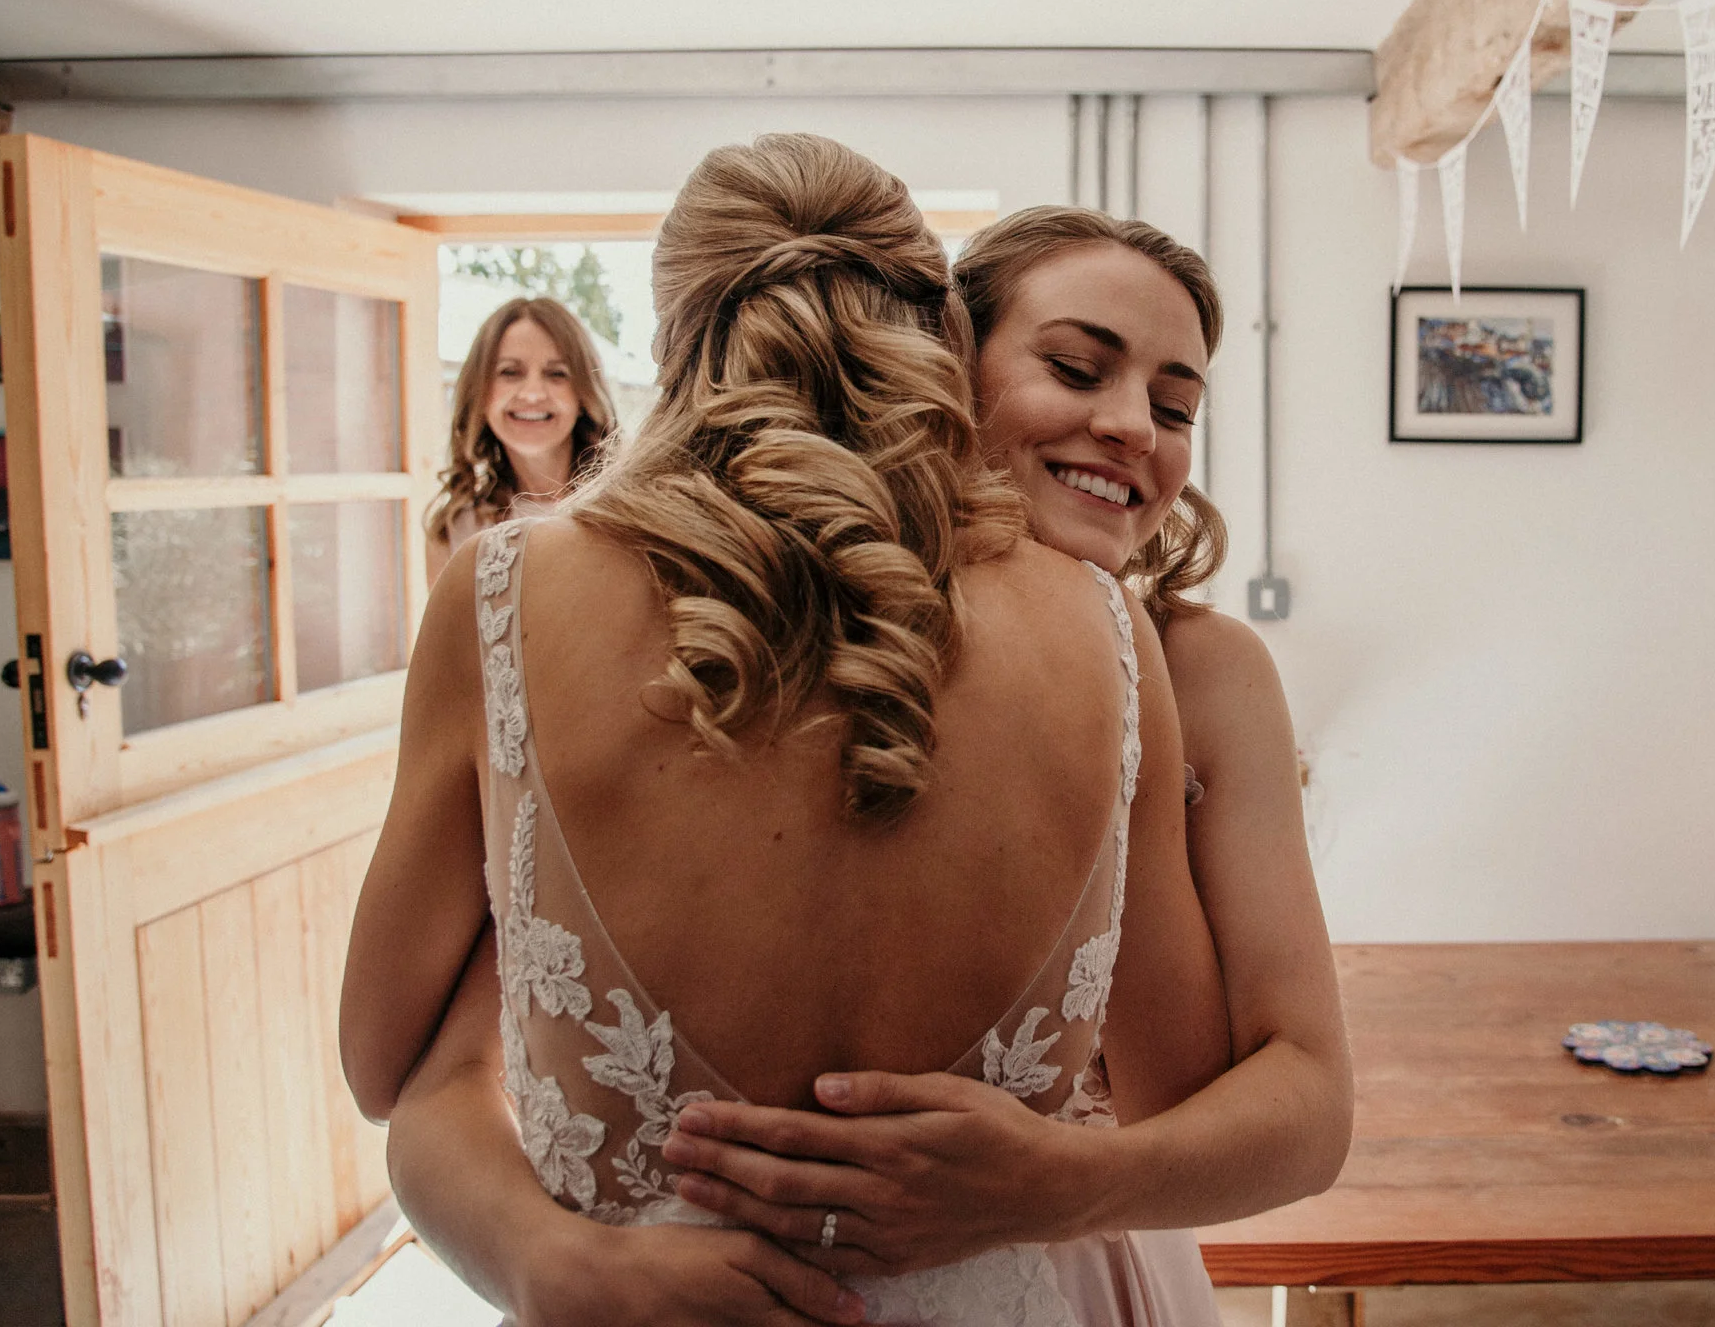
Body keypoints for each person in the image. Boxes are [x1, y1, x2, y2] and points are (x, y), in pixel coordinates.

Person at [385, 205, 1353, 1325]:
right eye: (1076, 367)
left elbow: (1306, 1103)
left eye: (1176, 403)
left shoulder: (1205, 665)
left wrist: (1052, 1183)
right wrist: (540, 1253)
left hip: (1074, 1261)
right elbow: (451, 1058)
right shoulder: (765, 634)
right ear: (932, 369)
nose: (1133, 424)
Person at [424, 295, 618, 583]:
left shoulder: (626, 509)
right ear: (481, 393)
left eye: (556, 374)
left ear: (583, 395)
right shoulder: (454, 532)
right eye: (510, 372)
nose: (532, 394)